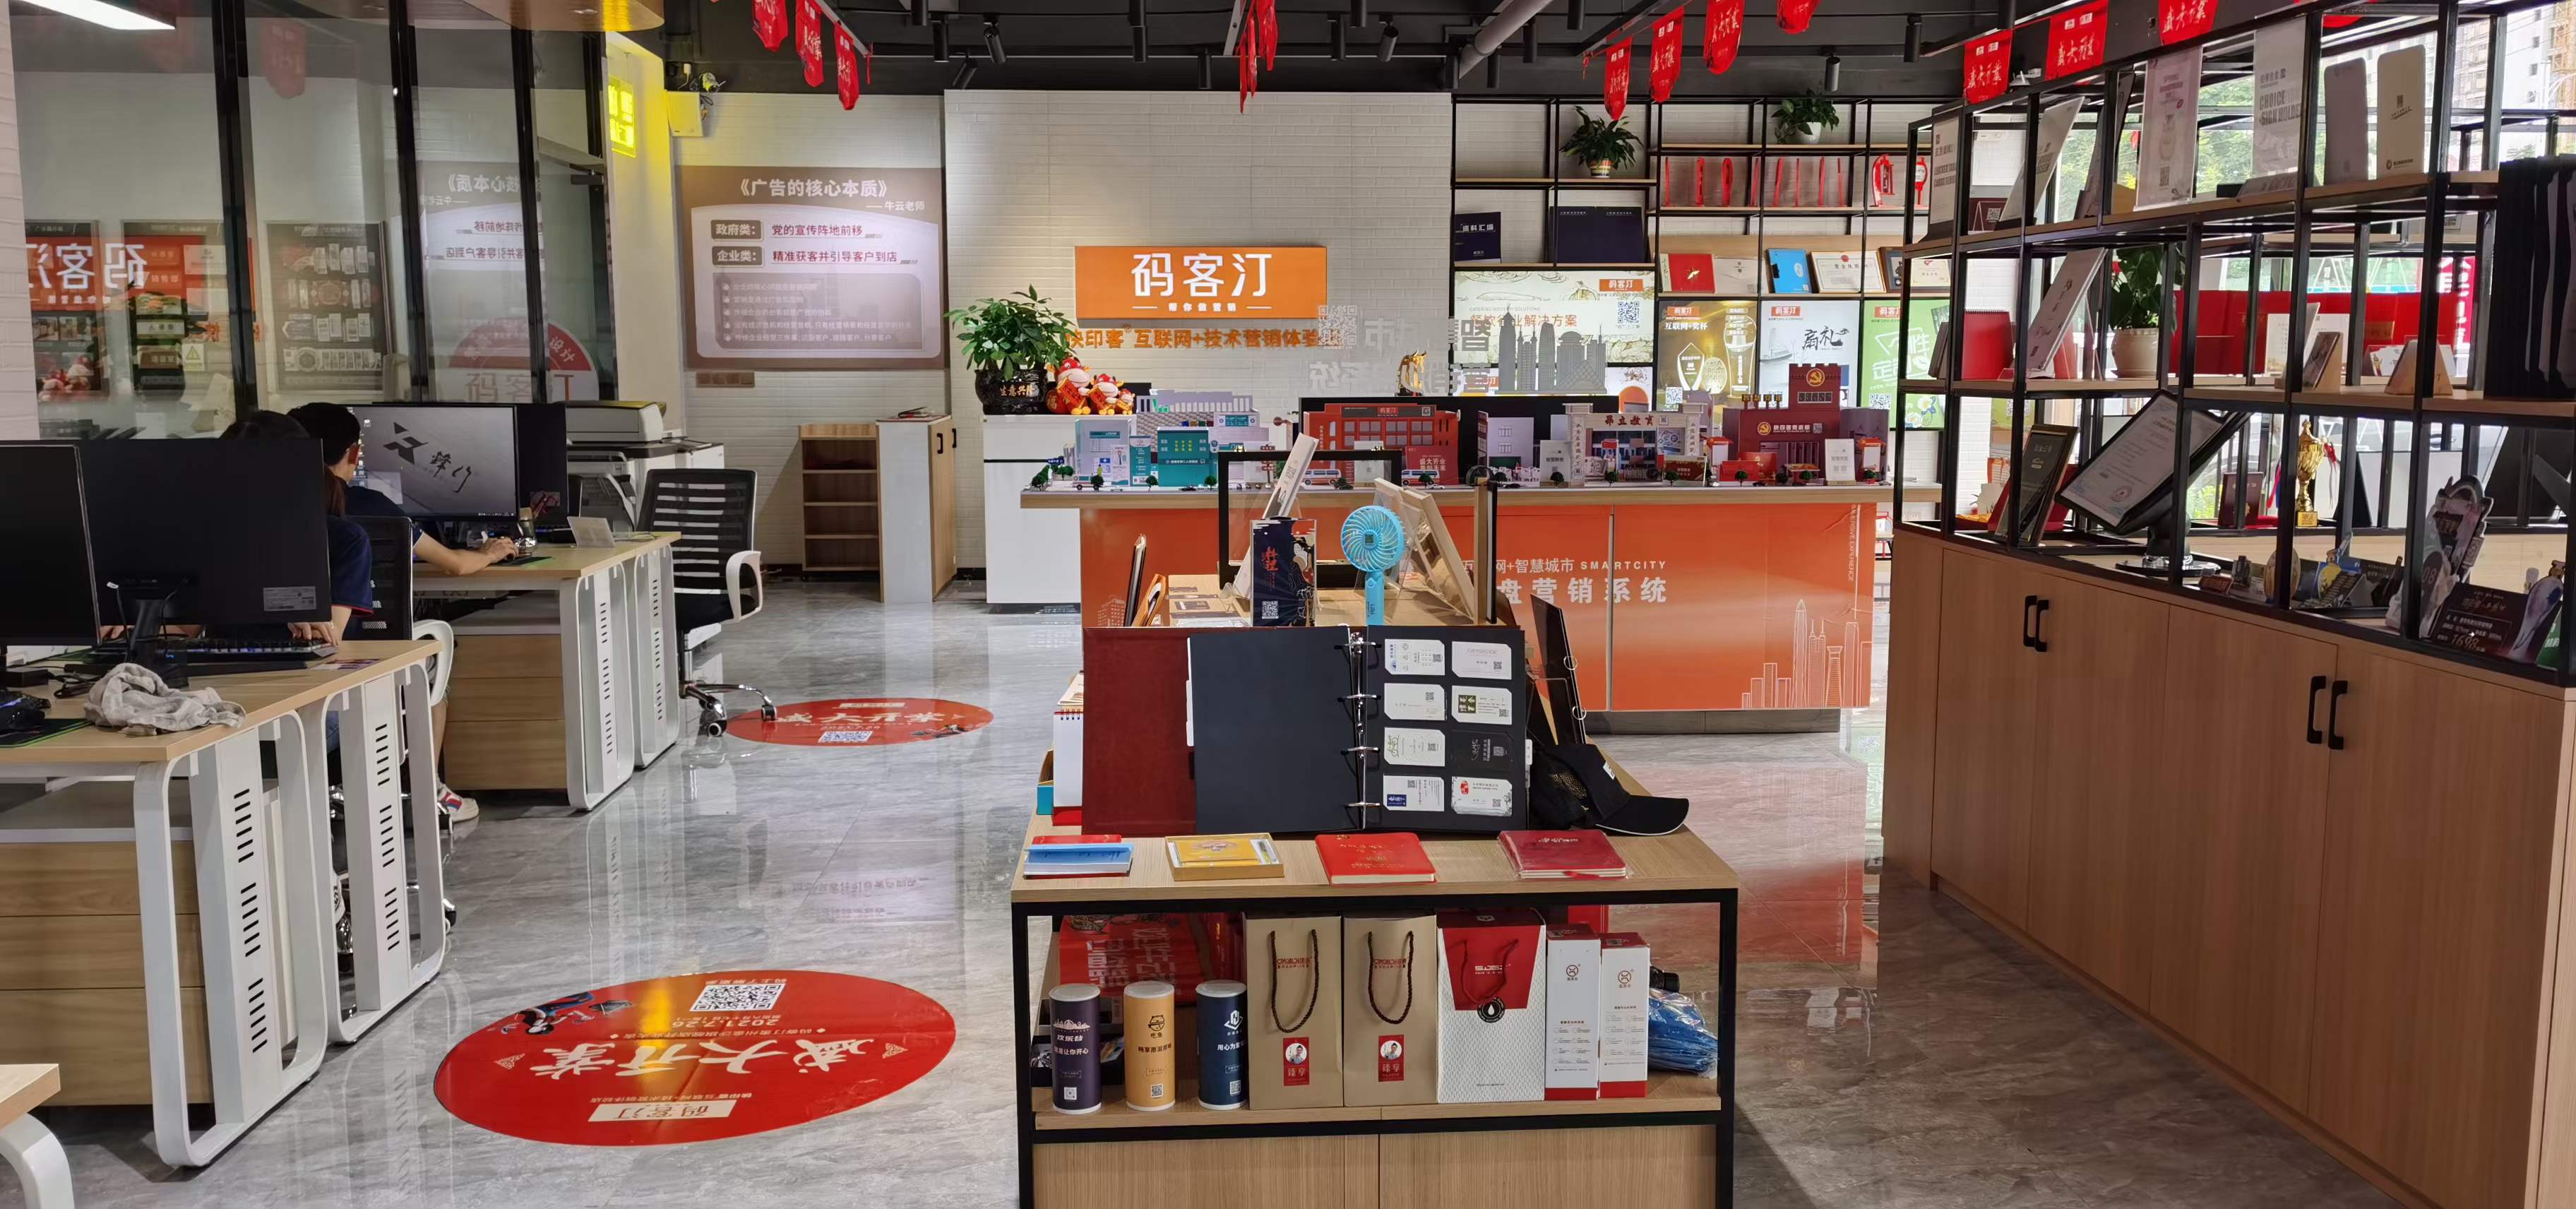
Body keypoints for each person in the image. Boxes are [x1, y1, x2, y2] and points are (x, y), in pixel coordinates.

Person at [287, 401, 520, 576]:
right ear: (355, 454)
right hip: (364, 626)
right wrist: (489, 554)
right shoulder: (371, 505)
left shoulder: (275, 505)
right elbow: (455, 565)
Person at [220, 410, 371, 643]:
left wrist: (290, 612)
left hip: (307, 662)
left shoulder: (343, 539)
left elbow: (328, 636)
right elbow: (184, 627)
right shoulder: (216, 537)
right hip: (220, 663)